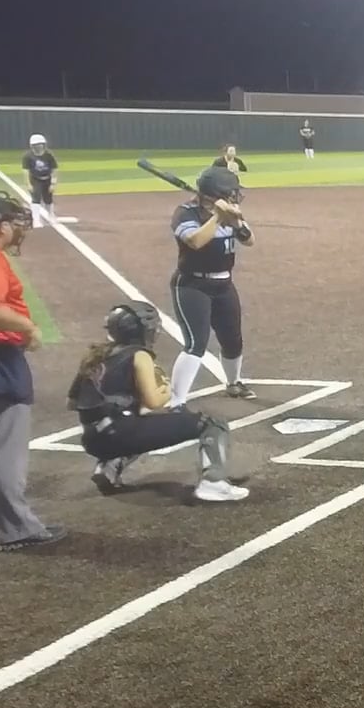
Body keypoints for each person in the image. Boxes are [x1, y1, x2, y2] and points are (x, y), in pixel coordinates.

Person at [0, 191, 66, 552]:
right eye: (14, 221)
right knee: (6, 445)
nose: (19, 228)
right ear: (0, 226)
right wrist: (28, 327)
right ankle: (16, 529)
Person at [70, 301, 246, 502]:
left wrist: (123, 399)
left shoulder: (95, 356)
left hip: (92, 440)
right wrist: (166, 390)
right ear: (141, 330)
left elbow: (72, 403)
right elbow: (154, 401)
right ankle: (213, 482)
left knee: (140, 423)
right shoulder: (139, 355)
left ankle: (109, 466)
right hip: (120, 435)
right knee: (212, 423)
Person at [168, 166, 257, 405]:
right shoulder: (185, 213)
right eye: (232, 191)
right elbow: (195, 241)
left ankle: (233, 383)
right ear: (218, 193)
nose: (236, 195)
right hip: (192, 285)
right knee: (195, 343)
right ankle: (177, 401)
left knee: (233, 339)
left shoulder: (230, 211)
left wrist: (236, 222)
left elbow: (249, 241)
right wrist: (217, 218)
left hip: (224, 283)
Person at [21, 133, 60, 228]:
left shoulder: (48, 155)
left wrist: (53, 183)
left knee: (48, 199)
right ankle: (36, 219)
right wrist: (28, 184)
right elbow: (26, 171)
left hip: (47, 179)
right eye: (36, 145)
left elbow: (54, 169)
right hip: (35, 179)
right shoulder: (27, 156)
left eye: (40, 144)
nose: (38, 146)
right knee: (36, 198)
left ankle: (51, 215)